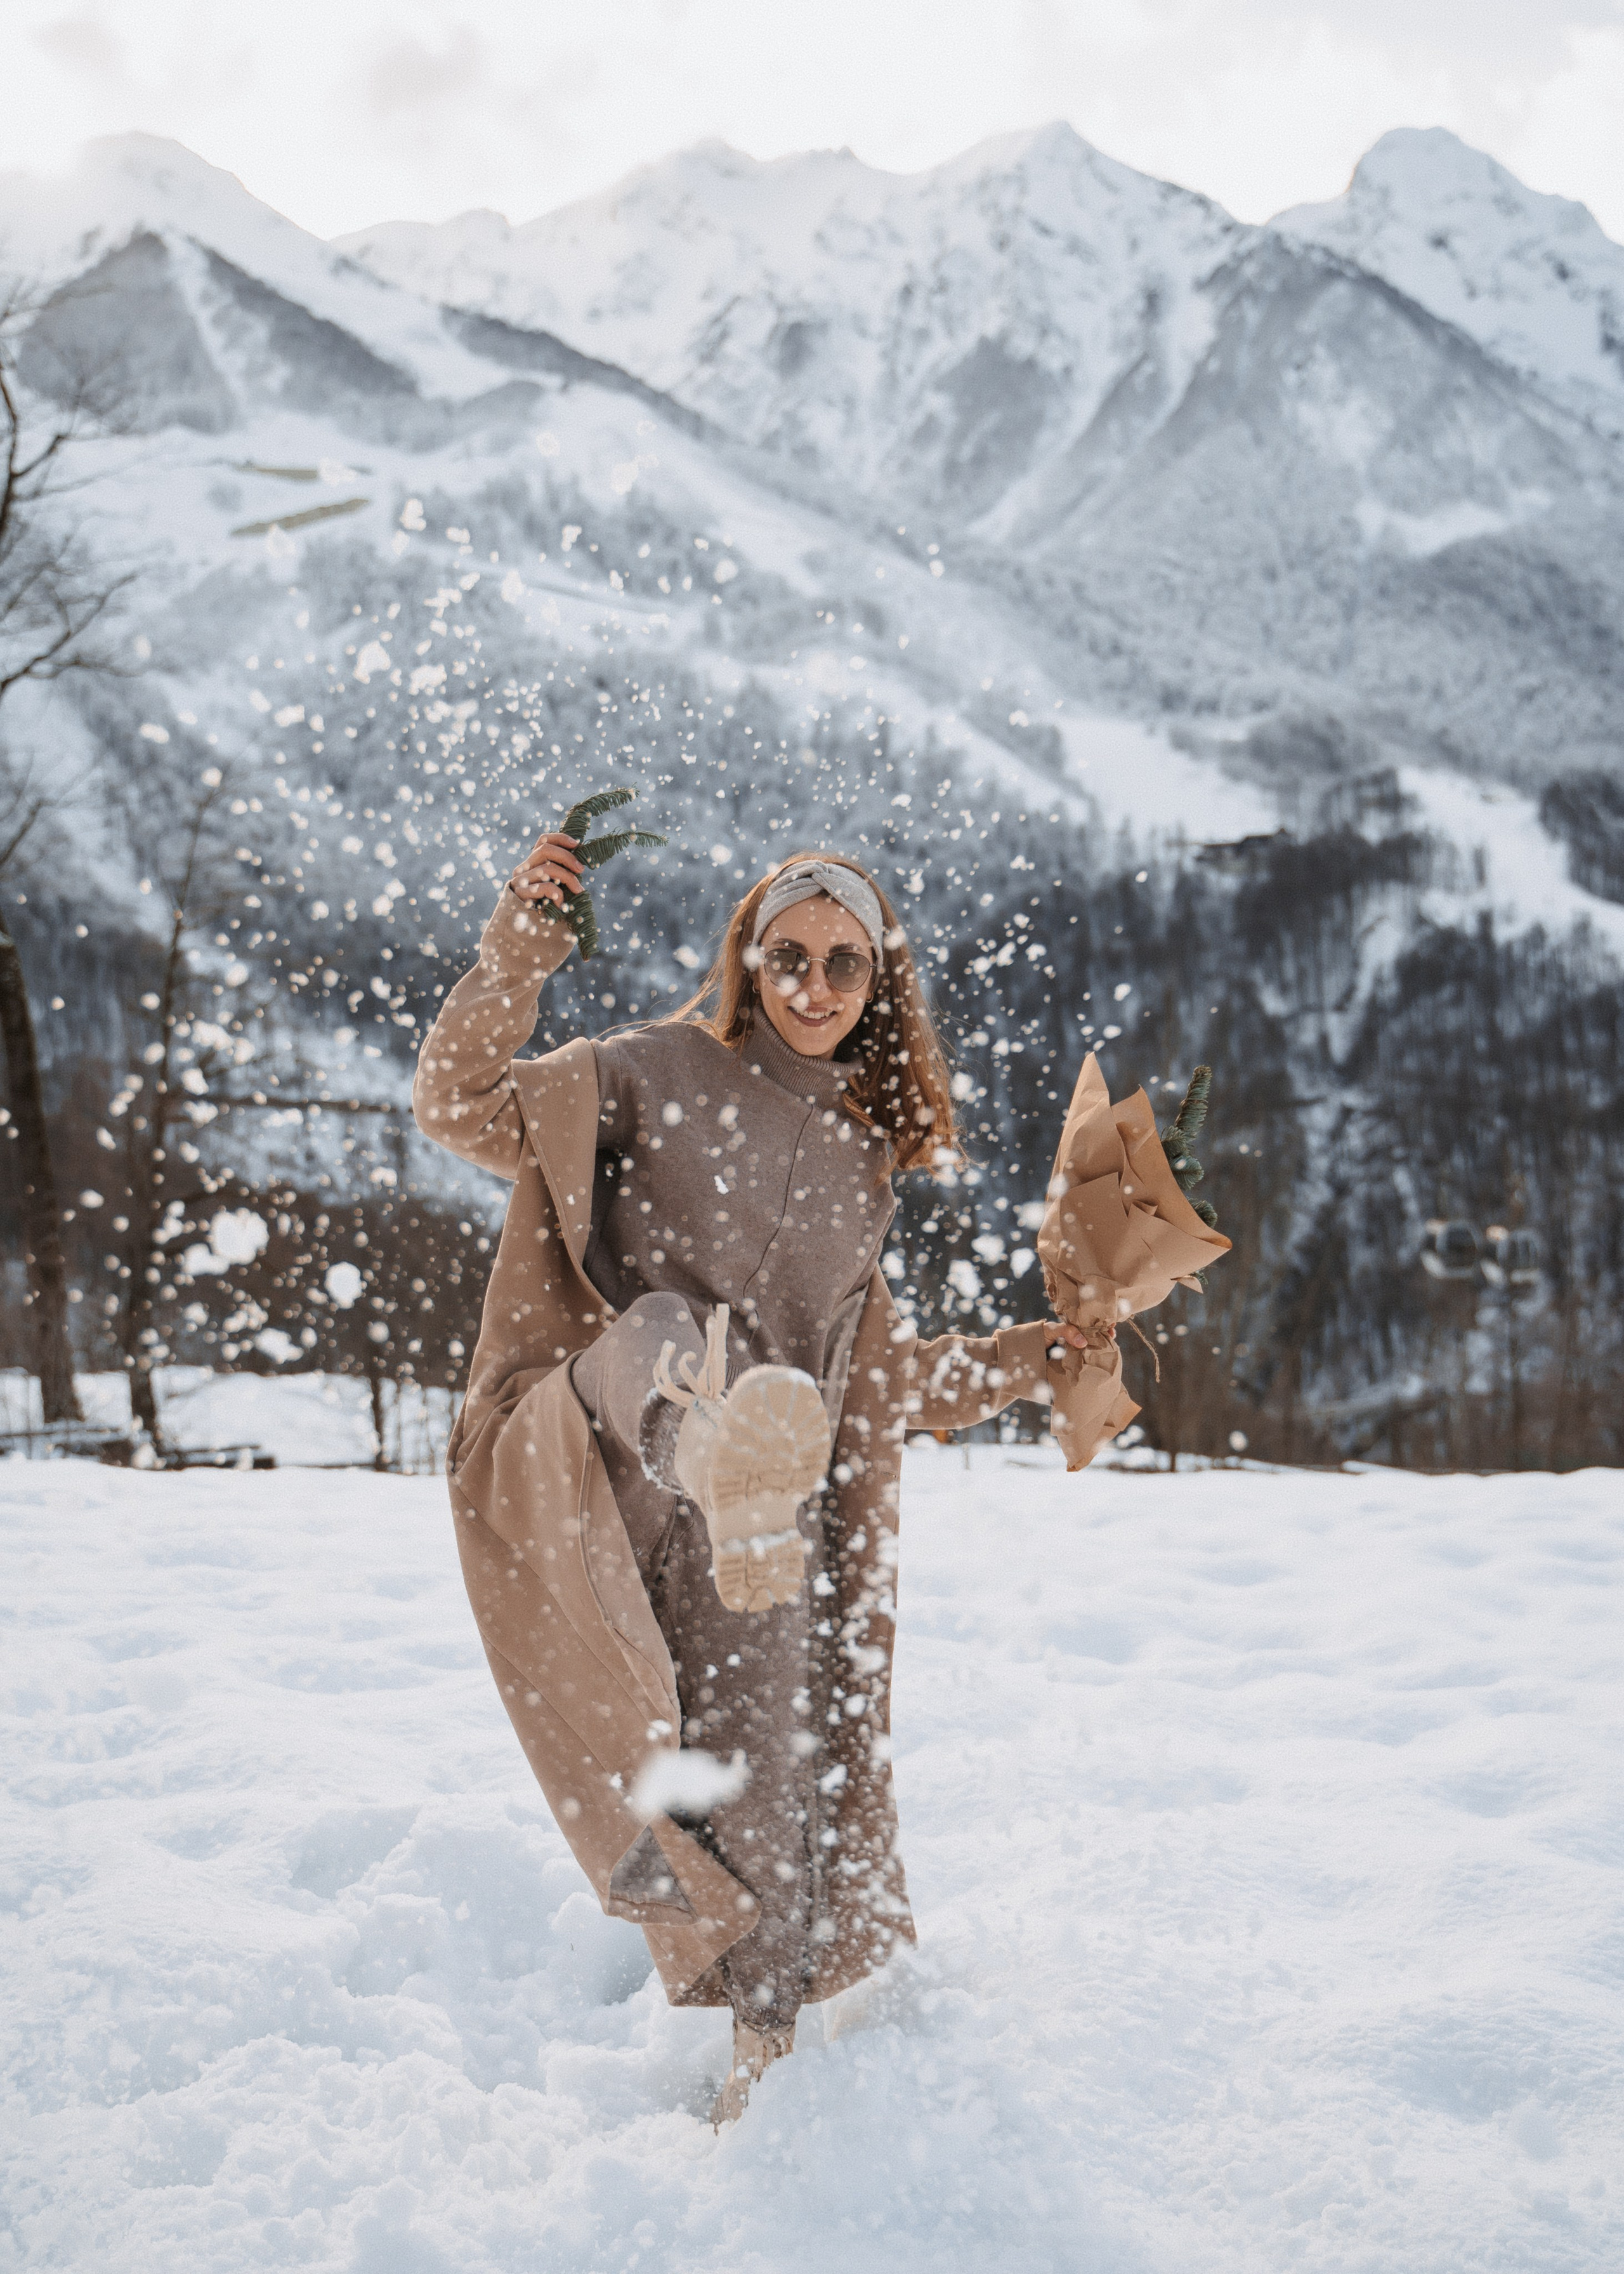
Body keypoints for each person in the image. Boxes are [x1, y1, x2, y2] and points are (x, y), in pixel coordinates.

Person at [413, 829, 1104, 2123]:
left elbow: (874, 1386)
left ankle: (764, 2083)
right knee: (666, 1331)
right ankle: (706, 1438)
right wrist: (522, 941)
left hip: (755, 1530)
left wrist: (1034, 1355)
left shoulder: (858, 1164)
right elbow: (456, 1102)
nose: (810, 982)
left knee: (768, 1787)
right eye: (785, 953)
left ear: (877, 981)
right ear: (745, 954)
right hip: (602, 1462)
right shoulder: (646, 1070)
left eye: (842, 961)